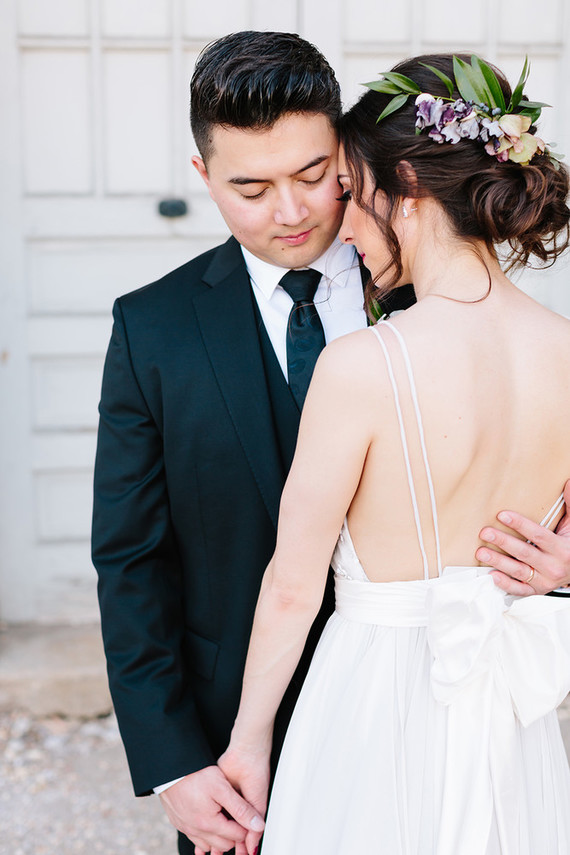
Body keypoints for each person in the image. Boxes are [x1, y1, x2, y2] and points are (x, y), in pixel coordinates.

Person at [92, 34, 570, 855]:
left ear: (361, 169)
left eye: (318, 177)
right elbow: (130, 559)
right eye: (251, 186)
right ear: (204, 177)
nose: (293, 211)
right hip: (232, 762)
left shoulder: (425, 307)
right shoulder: (153, 327)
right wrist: (178, 763)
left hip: (454, 710)